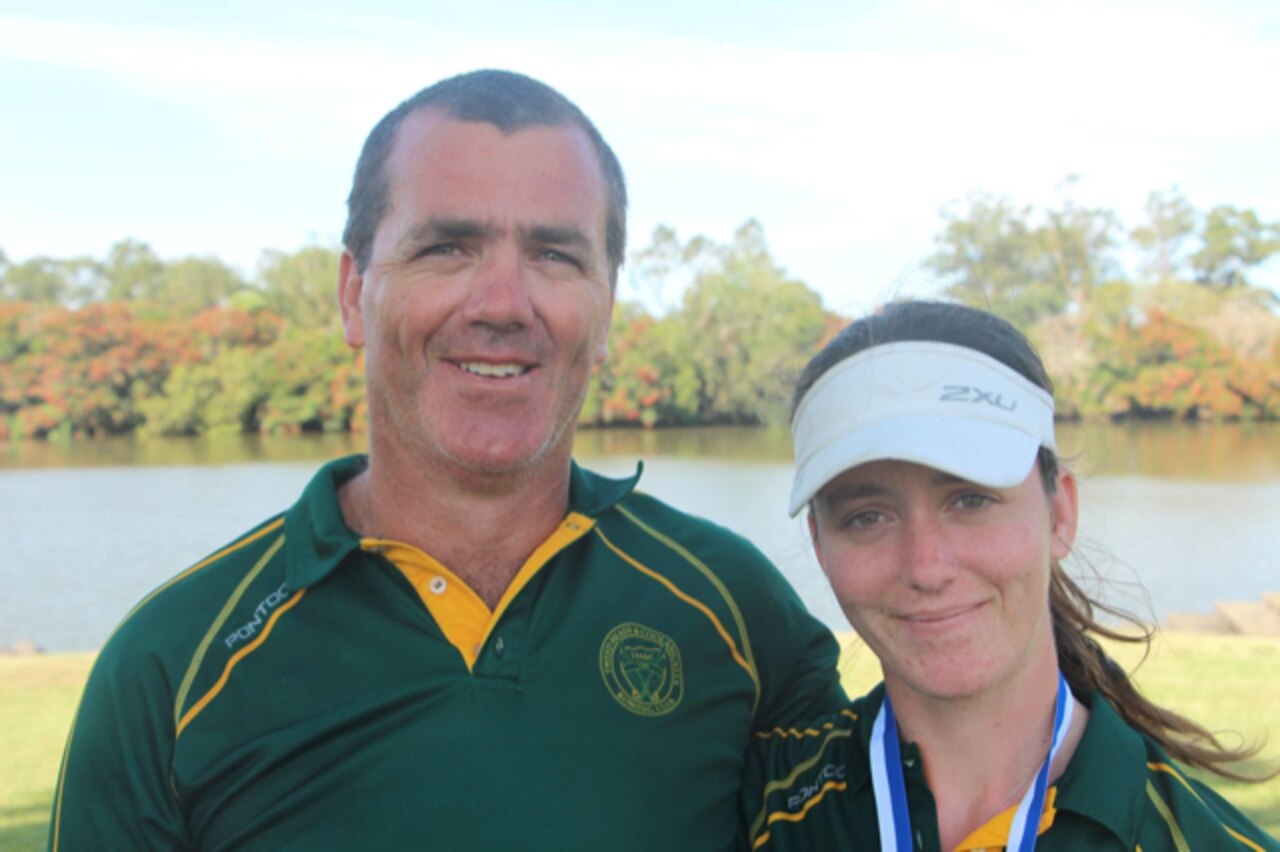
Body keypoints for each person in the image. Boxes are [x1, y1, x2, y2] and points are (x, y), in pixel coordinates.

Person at [50, 70, 845, 851]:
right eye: (446, 247)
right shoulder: (170, 670)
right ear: (352, 290)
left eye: (555, 256)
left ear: (605, 309)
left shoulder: (737, 612)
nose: (501, 303)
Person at [742, 300, 1279, 851]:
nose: (926, 567)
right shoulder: (752, 807)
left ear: (1060, 513)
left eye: (970, 500)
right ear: (820, 545)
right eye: (867, 517)